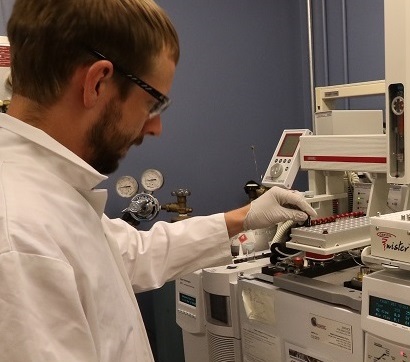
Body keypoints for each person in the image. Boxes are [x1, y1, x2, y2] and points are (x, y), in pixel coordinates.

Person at [0, 0, 316, 361]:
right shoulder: (19, 238)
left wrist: (243, 218)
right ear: (98, 82)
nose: (155, 127)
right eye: (153, 104)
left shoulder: (45, 191)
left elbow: (130, 255)